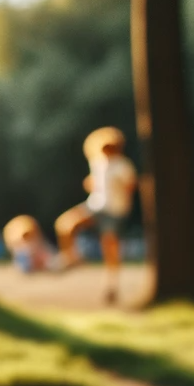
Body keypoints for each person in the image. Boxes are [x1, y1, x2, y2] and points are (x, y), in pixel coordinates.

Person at [56, 126, 137, 303]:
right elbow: (94, 183)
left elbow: (130, 187)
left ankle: (111, 286)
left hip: (114, 210)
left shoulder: (123, 166)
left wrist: (119, 189)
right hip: (96, 206)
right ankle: (72, 257)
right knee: (66, 224)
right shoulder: (97, 163)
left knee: (110, 247)